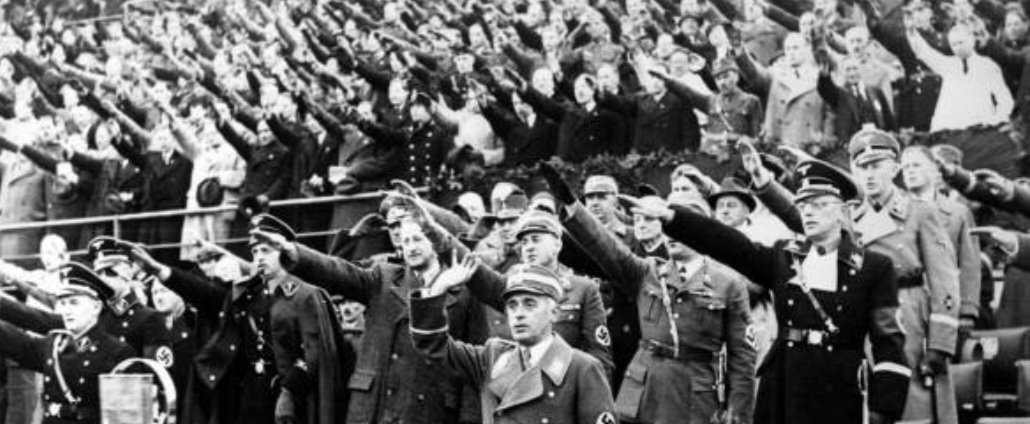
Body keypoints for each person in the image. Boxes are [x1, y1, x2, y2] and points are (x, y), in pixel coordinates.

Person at [610, 158, 910, 424]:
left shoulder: (874, 267)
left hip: (839, 387)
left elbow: (889, 340)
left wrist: (884, 408)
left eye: (819, 205)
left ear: (844, 210)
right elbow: (729, 244)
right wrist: (672, 218)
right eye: (804, 205)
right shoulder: (785, 257)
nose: (808, 213)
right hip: (785, 383)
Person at [549, 173, 756, 424]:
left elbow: (742, 357)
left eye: (680, 227)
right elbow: (606, 248)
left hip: (695, 395)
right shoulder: (648, 272)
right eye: (667, 227)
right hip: (644, 390)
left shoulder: (728, 284)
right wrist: (574, 207)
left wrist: (738, 412)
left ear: (700, 231)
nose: (672, 235)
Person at [250, 211, 487, 424]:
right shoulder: (383, 277)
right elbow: (337, 271)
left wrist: (470, 418)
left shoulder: (465, 293)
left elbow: (474, 367)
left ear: (437, 241)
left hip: (430, 410)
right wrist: (293, 251)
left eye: (417, 239)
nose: (410, 247)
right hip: (374, 406)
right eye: (405, 241)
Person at [408, 259, 617, 424]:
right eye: (512, 305)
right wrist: (438, 289)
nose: (518, 314)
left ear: (554, 313)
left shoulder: (581, 368)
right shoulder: (492, 357)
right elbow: (433, 345)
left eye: (529, 304)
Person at [0, 236, 174, 365]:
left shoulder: (149, 319)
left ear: (128, 271)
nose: (102, 278)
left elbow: (156, 377)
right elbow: (40, 320)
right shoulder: (96, 314)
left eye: (109, 271)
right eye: (98, 273)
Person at [0, 262, 135, 424]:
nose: (67, 310)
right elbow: (13, 341)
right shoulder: (54, 345)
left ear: (96, 307)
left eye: (74, 303)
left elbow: (126, 417)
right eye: (63, 303)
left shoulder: (117, 352)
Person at [248, 214, 351, 424]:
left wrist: (288, 393)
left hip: (299, 398)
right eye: (255, 251)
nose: (259, 257)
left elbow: (314, 353)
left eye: (266, 250)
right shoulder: (254, 295)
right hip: (260, 395)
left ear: (284, 253)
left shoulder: (305, 295)